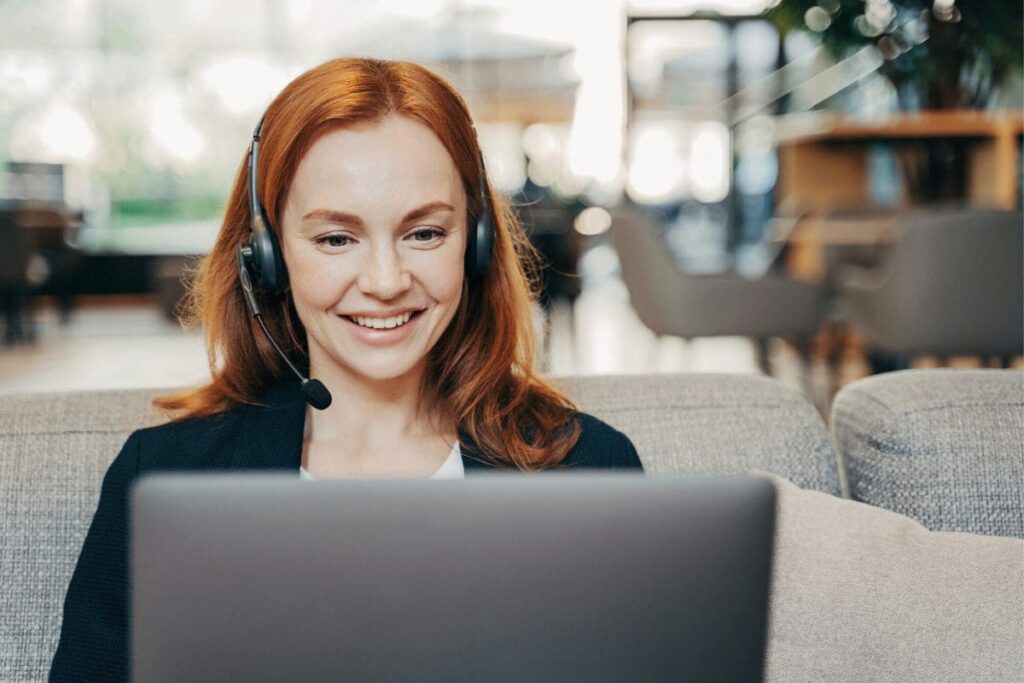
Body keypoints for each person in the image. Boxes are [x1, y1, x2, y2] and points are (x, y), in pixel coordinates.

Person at [49, 57, 642, 682]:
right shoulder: (164, 478)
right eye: (336, 239)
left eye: (424, 233)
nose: (386, 282)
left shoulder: (590, 467)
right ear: (267, 259)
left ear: (476, 244)